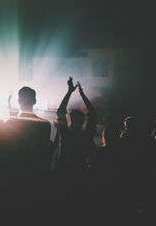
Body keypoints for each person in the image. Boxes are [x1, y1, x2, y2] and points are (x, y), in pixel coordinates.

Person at [4, 86, 52, 220]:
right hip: (36, 179)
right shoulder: (45, 124)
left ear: (19, 101)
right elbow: (45, 152)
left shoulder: (10, 123)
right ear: (35, 101)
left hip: (15, 178)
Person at [56, 77, 97, 221]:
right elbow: (93, 113)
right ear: (82, 121)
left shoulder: (66, 134)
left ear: (71, 120)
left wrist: (69, 92)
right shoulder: (86, 136)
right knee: (78, 211)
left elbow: (60, 111)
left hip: (64, 171)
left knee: (62, 207)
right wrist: (82, 94)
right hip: (81, 172)